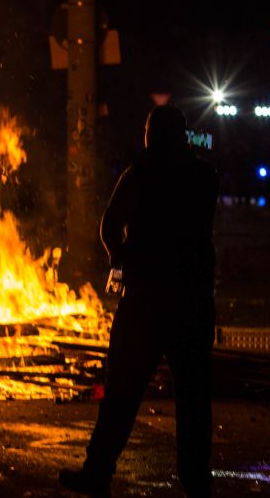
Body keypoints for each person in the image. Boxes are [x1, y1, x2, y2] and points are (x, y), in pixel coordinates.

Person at [60, 104, 218, 497]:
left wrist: (120, 259)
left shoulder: (140, 175)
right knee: (193, 397)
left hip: (146, 300)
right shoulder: (204, 177)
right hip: (192, 301)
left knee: (122, 394)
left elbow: (110, 225)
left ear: (151, 135)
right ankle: (195, 481)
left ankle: (97, 473)